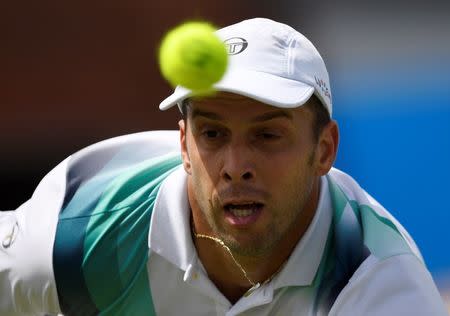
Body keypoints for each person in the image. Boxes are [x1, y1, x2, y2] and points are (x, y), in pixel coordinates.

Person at [0, 17, 447, 316]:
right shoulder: (80, 231)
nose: (235, 167)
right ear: (184, 146)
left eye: (267, 136)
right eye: (212, 135)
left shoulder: (380, 286)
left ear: (325, 150)